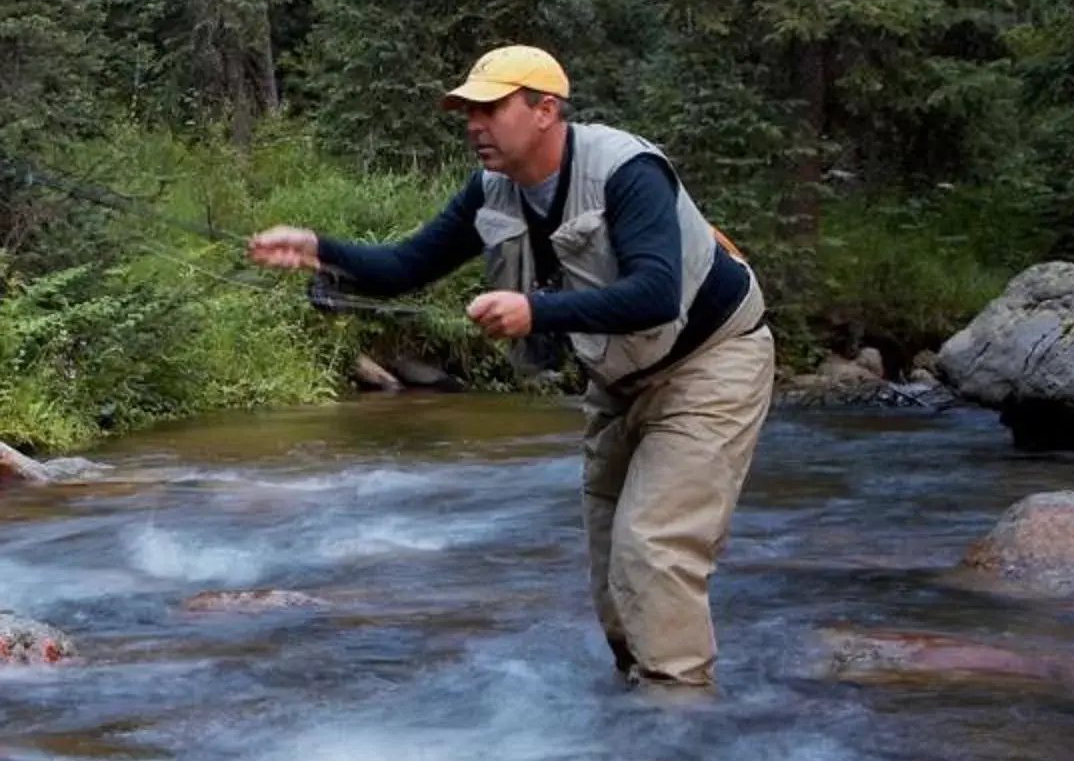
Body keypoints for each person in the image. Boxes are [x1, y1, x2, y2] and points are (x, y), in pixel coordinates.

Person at [247, 46, 774, 688]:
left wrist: (536, 309)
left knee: (655, 549)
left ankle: (678, 714)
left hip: (713, 359)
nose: (473, 124)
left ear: (545, 110)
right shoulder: (492, 190)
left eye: (490, 108)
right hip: (622, 379)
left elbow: (657, 292)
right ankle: (637, 700)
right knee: (611, 554)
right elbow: (406, 266)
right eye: (468, 111)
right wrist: (319, 249)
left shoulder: (627, 171)